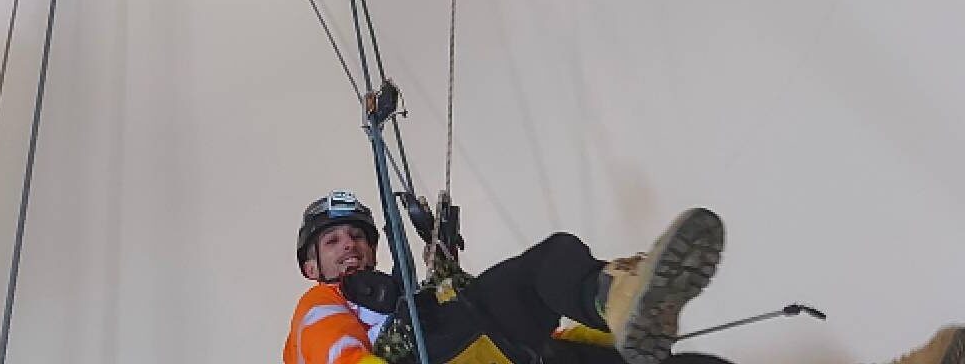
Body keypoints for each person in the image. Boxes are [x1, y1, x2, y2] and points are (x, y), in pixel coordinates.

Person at [282, 190, 963, 364]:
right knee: (539, 267)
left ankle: (623, 303)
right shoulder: (320, 308)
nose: (350, 251)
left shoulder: (392, 294)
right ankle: (613, 294)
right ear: (311, 262)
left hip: (508, 353)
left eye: (359, 239)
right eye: (335, 242)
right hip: (457, 350)